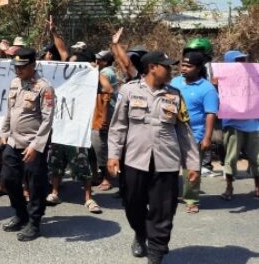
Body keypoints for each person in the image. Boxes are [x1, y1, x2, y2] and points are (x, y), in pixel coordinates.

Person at [108, 51, 200, 264]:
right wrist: (113, 155)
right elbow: (118, 126)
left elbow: (185, 132)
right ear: (152, 68)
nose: (171, 70)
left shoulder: (175, 95)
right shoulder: (129, 91)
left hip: (166, 161)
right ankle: (141, 234)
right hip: (134, 159)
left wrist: (192, 164)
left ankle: (156, 252)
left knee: (163, 209)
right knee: (132, 204)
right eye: (166, 66)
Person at [0, 47, 54, 241]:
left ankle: (34, 222)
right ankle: (21, 214)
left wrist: (36, 146)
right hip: (13, 142)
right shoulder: (15, 83)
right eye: (16, 66)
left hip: (33, 144)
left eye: (22, 66)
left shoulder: (44, 87)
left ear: (33, 65)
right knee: (9, 179)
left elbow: (48, 120)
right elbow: (10, 110)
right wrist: (4, 132)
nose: (18, 70)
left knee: (35, 185)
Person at [46, 50, 102, 214]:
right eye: (69, 64)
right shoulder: (58, 79)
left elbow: (106, 88)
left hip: (77, 131)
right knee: (55, 163)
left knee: (82, 164)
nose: (71, 67)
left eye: (75, 65)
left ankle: (88, 198)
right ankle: (55, 193)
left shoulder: (89, 81)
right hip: (59, 129)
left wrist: (93, 71)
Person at [170, 51, 218, 213]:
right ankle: (168, 195)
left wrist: (207, 137)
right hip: (171, 133)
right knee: (167, 167)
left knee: (191, 168)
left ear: (198, 68)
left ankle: (191, 199)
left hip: (194, 134)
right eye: (182, 65)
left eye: (188, 66)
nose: (183, 68)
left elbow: (211, 113)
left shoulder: (207, 88)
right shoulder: (175, 82)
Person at [219, 50, 259, 201]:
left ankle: (257, 187)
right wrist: (218, 86)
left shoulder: (254, 77)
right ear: (229, 63)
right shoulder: (222, 80)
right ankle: (229, 187)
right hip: (233, 125)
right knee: (231, 158)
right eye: (238, 60)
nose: (242, 63)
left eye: (244, 59)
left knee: (257, 159)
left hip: (253, 125)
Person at [91, 50, 118, 191]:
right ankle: (97, 176)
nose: (96, 63)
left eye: (98, 60)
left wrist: (104, 119)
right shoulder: (104, 71)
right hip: (99, 113)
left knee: (102, 146)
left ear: (105, 62)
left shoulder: (106, 72)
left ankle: (107, 178)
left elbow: (108, 90)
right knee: (96, 145)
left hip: (106, 114)